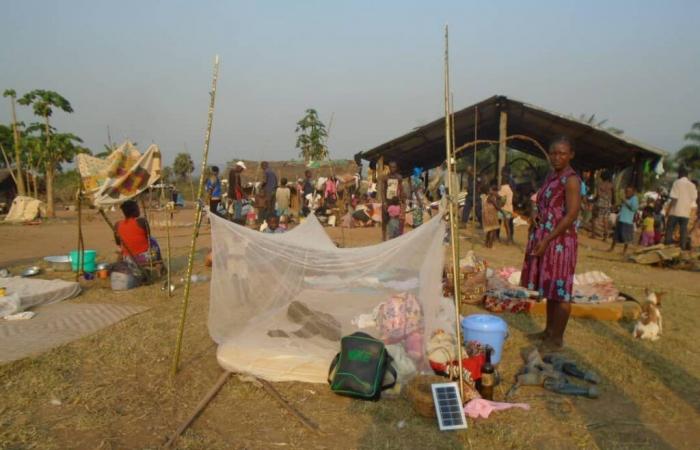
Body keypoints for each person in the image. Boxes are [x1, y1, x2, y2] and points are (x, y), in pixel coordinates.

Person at [521, 136, 581, 351]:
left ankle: (557, 338)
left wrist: (547, 239)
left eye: (562, 153)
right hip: (546, 236)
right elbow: (540, 200)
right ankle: (548, 331)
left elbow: (571, 215)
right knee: (550, 288)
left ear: (571, 155)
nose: (557, 157)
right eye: (553, 153)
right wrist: (535, 212)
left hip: (560, 241)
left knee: (561, 290)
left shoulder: (571, 180)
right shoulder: (551, 176)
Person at [114, 200, 161, 266]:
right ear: (134, 211)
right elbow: (147, 236)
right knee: (153, 240)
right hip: (145, 258)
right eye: (138, 208)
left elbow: (118, 243)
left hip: (128, 259)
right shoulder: (142, 221)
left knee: (121, 248)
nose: (139, 210)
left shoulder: (117, 224)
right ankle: (159, 263)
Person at [664, 167, 698, 249]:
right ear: (687, 175)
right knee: (683, 230)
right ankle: (682, 247)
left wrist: (668, 209)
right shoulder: (692, 185)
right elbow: (694, 198)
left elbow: (674, 198)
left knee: (670, 228)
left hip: (675, 211)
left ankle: (667, 246)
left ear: (680, 174)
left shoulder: (677, 183)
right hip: (686, 212)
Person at [609, 186, 639, 255]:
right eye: (626, 191)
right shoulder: (626, 198)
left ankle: (624, 251)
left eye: (628, 192)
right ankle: (611, 248)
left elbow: (633, 209)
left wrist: (625, 201)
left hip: (627, 221)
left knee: (626, 238)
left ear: (632, 192)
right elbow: (622, 208)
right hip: (621, 219)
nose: (627, 193)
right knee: (616, 236)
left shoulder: (634, 199)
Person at [592, 170, 613, 241]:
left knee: (594, 218)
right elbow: (613, 195)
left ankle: (593, 234)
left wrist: (593, 200)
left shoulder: (600, 184)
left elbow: (598, 195)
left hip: (600, 203)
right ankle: (605, 236)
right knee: (605, 220)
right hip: (607, 204)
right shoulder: (611, 185)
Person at [482, 181, 501, 248]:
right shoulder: (491, 197)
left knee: (489, 230)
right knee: (493, 230)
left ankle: (487, 243)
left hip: (487, 215)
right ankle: (490, 245)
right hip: (491, 215)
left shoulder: (486, 197)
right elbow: (497, 207)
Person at [498, 170, 515, 243]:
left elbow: (501, 197)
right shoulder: (509, 188)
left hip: (504, 208)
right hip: (509, 208)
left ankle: (496, 237)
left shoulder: (503, 188)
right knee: (507, 224)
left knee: (501, 223)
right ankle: (509, 238)